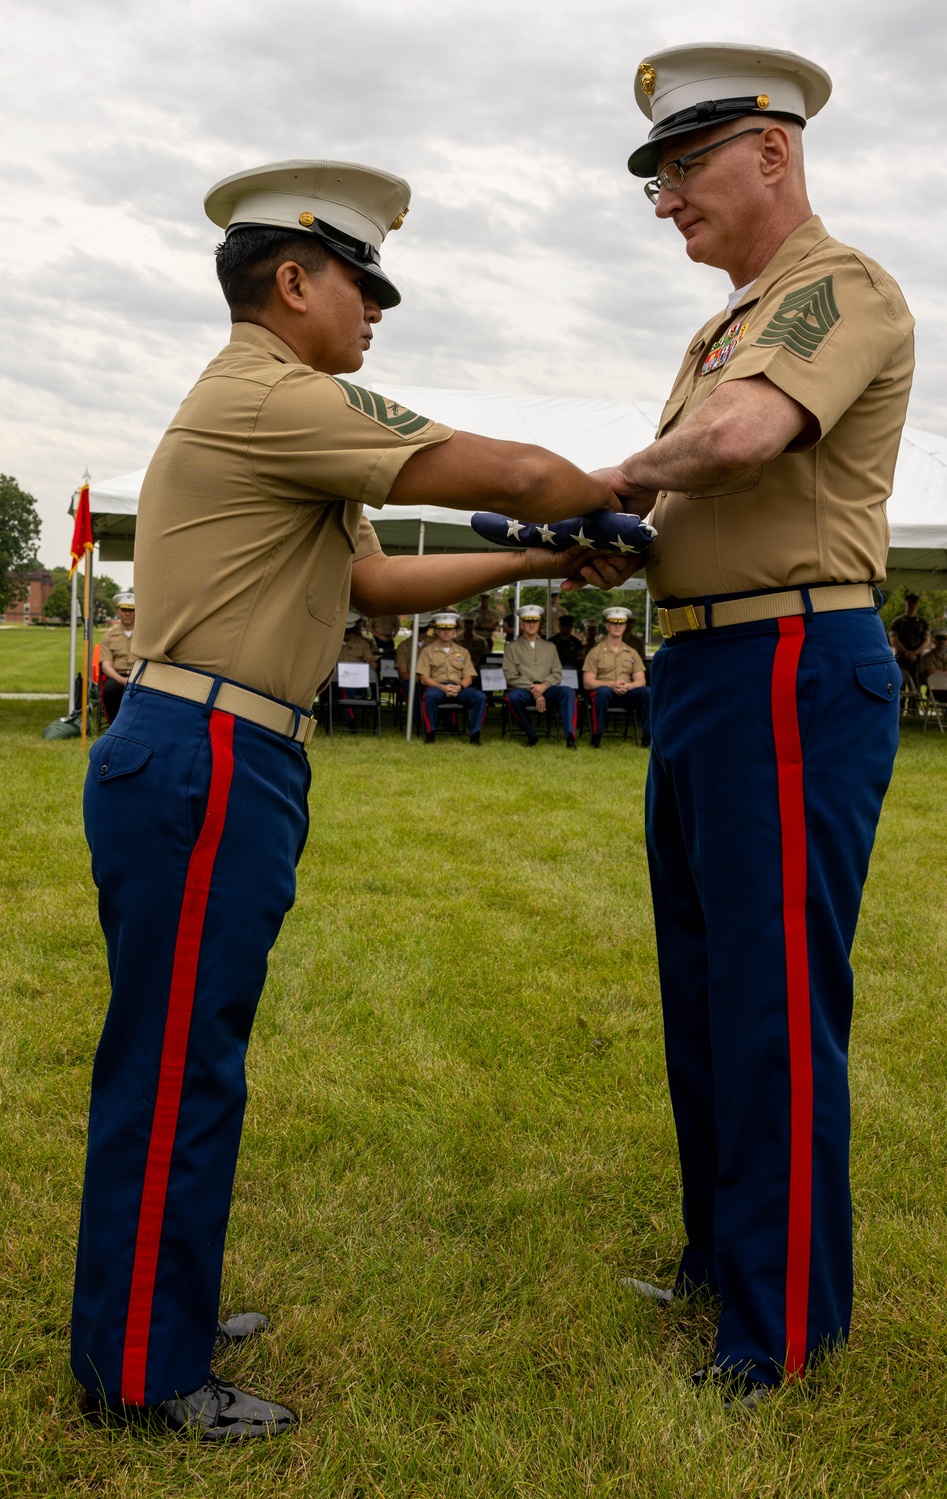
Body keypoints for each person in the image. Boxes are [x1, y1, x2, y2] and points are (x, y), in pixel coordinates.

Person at [72, 157, 628, 1441]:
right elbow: (495, 462)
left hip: (225, 749)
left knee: (191, 1053)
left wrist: (549, 555)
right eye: (363, 285)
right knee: (175, 1069)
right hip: (207, 749)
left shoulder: (283, 416)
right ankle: (145, 1371)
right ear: (293, 281)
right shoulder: (278, 395)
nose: (377, 311)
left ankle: (163, 1310)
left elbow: (370, 591)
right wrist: (605, 493)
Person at [594, 44, 914, 1403]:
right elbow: (700, 486)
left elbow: (736, 442)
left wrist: (604, 473)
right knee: (709, 987)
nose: (666, 196)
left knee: (774, 1000)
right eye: (657, 175)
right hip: (711, 669)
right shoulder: (728, 321)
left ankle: (778, 1328)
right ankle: (729, 1260)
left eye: (684, 165)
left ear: (773, 152)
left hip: (790, 660)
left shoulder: (835, 289)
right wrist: (622, 532)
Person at [502, 603, 579, 747]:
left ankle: (570, 737)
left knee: (568, 692)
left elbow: (557, 673)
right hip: (524, 690)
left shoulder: (550, 647)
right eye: (528, 621)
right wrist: (535, 690)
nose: (531, 624)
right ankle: (531, 735)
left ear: (539, 623)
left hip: (547, 689)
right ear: (522, 624)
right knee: (512, 697)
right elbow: (510, 675)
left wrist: (544, 686)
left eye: (535, 621)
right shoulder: (512, 648)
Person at [582, 606, 650, 747]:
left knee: (648, 693)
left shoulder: (631, 652)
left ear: (625, 626)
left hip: (627, 693)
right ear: (607, 626)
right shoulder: (595, 652)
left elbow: (641, 680)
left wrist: (628, 685)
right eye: (614, 623)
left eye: (620, 623)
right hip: (605, 693)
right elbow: (587, 682)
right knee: (602, 693)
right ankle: (596, 736)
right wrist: (611, 684)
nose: (617, 626)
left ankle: (647, 737)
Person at [415, 612, 487, 742]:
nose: (446, 632)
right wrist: (440, 687)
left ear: (455, 631)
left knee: (480, 697)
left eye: (449, 629)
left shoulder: (463, 651)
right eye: (442, 629)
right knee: (429, 696)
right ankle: (430, 734)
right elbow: (423, 678)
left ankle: (475, 735)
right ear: (436, 630)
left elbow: (469, 677)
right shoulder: (427, 651)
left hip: (458, 687)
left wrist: (459, 687)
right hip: (437, 687)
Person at [332, 616, 377, 733]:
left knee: (347, 686)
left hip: (357, 681)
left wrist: (372, 662)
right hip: (334, 681)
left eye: (349, 633)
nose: (347, 636)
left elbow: (370, 660)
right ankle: (352, 716)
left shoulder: (363, 643)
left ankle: (350, 716)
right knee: (344, 685)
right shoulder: (330, 641)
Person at [98, 592, 137, 723]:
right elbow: (106, 665)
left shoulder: (143, 636)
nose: (127, 613)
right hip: (117, 675)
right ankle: (115, 726)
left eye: (131, 610)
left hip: (139, 676)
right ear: (118, 612)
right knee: (110, 689)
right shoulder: (108, 636)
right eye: (124, 609)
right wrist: (121, 680)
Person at [887, 594, 929, 681]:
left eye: (914, 604)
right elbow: (894, 639)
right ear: (905, 604)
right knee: (900, 684)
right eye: (910, 603)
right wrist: (907, 653)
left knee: (916, 685)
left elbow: (927, 640)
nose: (912, 606)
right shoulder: (897, 622)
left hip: (917, 659)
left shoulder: (922, 622)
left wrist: (915, 653)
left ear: (918, 605)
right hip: (901, 658)